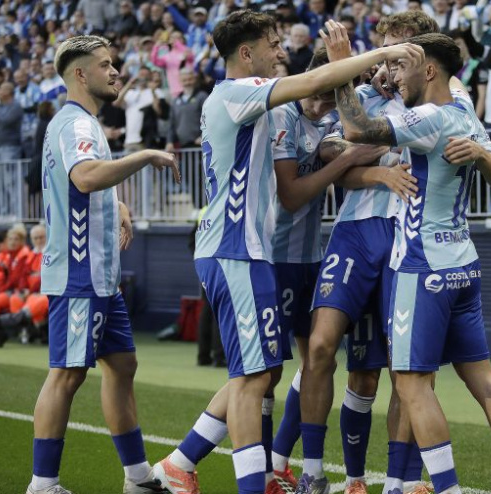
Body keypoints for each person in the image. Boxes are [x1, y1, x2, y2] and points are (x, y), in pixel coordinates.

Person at [149, 13, 422, 494]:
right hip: (238, 250)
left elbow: (331, 123)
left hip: (254, 251)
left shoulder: (255, 103)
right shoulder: (242, 93)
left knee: (265, 371)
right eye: (273, 44)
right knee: (254, 377)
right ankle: (237, 475)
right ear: (247, 53)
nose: (281, 52)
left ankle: (198, 464)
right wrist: (381, 54)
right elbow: (313, 88)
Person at [330, 31, 491, 494]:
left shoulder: (427, 117)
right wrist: (481, 152)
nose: (396, 79)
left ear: (429, 70)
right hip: (464, 263)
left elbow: (356, 131)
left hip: (421, 268)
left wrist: (343, 69)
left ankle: (447, 488)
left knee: (412, 386)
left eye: (403, 68)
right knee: (484, 380)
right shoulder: (463, 110)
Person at [26, 34, 181, 494]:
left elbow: (81, 185)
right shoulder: (76, 124)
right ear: (80, 74)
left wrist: (118, 205)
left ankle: (137, 476)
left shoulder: (79, 123)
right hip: (80, 272)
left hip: (99, 277)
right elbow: (85, 177)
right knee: (67, 374)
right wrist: (144, 155)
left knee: (122, 365)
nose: (115, 72)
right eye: (105, 65)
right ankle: (42, 485)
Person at [296, 11, 439, 494]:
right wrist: (377, 168)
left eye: (401, 51)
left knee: (403, 371)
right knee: (321, 347)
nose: (390, 63)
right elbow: (331, 152)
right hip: (355, 233)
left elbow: (356, 141)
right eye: (385, 51)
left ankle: (399, 482)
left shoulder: (439, 101)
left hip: (409, 237)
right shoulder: (364, 95)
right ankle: (316, 473)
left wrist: (366, 146)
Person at [266, 47, 388, 494]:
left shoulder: (335, 117)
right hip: (270, 257)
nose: (320, 105)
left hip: (311, 257)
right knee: (265, 373)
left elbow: (350, 133)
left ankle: (281, 462)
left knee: (314, 361)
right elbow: (292, 197)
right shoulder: (282, 116)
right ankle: (228, 464)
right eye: (317, 94)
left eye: (329, 97)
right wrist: (347, 160)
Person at [0, 223, 50, 345]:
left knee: (37, 300)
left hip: (44, 291)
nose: (39, 241)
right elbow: (23, 275)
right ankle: (26, 331)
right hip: (31, 291)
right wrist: (24, 289)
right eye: (36, 238)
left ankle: (6, 323)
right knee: (16, 299)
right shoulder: (31, 254)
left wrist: (31, 290)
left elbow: (45, 276)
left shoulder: (50, 253)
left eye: (41, 237)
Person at [0, 81, 25, 216]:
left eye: (0, 89)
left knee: (11, 181)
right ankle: (5, 212)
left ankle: (17, 213)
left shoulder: (16, 106)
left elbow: (5, 120)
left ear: (8, 91)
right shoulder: (0, 106)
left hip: (11, 148)